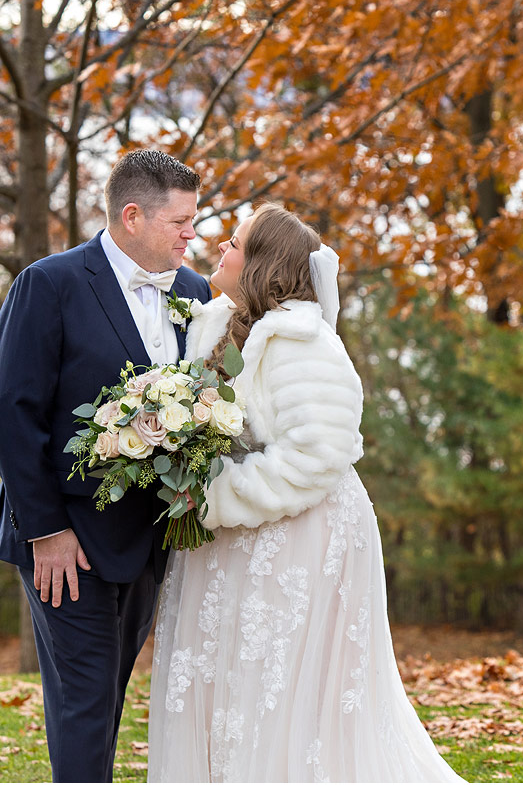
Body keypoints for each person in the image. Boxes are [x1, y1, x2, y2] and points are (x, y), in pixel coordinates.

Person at [148, 203, 465, 783]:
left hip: (303, 538)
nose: (222, 248)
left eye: (236, 242)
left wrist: (213, 499)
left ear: (263, 265)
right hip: (235, 536)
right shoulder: (214, 327)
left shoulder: (303, 342)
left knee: (284, 688)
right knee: (233, 684)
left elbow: (315, 456)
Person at [0, 149, 213, 782]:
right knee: (84, 698)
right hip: (66, 540)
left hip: (149, 537)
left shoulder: (194, 292)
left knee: (107, 693)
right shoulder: (50, 283)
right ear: (132, 215)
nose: (192, 235)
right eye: (181, 222)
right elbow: (11, 410)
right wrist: (46, 531)